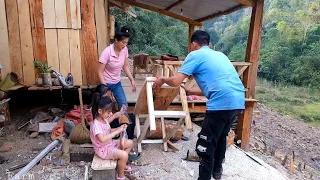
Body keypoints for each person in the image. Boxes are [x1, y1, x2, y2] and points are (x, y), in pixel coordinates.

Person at [153, 30, 245, 180]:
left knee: (205, 144)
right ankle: (217, 172)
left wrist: (163, 79)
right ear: (207, 43)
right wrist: (190, 91)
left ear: (193, 44)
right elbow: (216, 85)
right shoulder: (220, 55)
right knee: (221, 138)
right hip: (237, 101)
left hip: (220, 104)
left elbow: (176, 81)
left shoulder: (195, 55)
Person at [90, 96, 134, 180]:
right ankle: (120, 176)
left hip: (109, 144)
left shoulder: (104, 119)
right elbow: (102, 139)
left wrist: (119, 128)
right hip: (103, 150)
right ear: (100, 111)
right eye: (108, 112)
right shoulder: (96, 125)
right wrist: (117, 132)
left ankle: (122, 164)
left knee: (130, 143)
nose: (110, 114)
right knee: (124, 155)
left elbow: (109, 130)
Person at [97, 26, 136, 113]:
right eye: (123, 42)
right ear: (116, 40)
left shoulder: (124, 50)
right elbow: (99, 72)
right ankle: (104, 125)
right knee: (106, 108)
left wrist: (132, 80)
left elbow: (125, 66)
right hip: (106, 83)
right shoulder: (107, 52)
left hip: (117, 83)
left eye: (126, 43)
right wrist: (106, 90)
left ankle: (123, 124)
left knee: (124, 106)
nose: (125, 45)